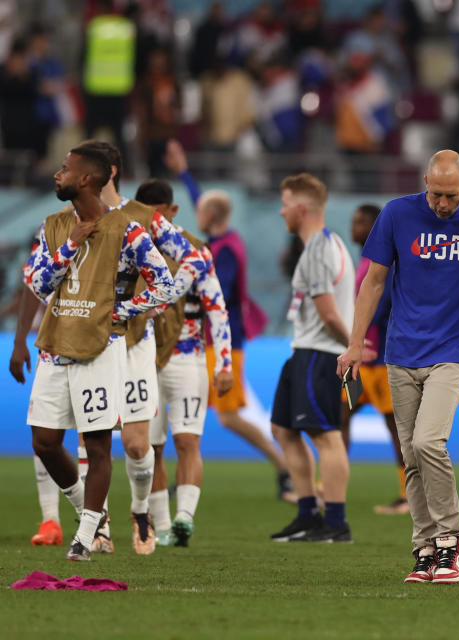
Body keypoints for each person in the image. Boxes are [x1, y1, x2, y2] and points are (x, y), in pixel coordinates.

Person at [337, 150, 459, 584]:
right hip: (400, 353)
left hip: (451, 351)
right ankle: (423, 549)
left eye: (452, 196)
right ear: (425, 181)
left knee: (428, 442)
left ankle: (450, 544)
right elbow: (374, 281)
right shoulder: (397, 214)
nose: (443, 204)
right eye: (436, 194)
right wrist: (353, 343)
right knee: (411, 456)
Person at [25, 145, 180, 561]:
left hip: (100, 347)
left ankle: (87, 535)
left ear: (87, 180)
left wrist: (120, 311)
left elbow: (166, 284)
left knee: (97, 444)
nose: (57, 174)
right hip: (55, 345)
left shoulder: (127, 229)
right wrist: (70, 247)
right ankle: (88, 513)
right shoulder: (55, 225)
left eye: (65, 169)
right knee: (44, 442)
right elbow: (38, 283)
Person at [78, 140, 205, 556]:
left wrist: (143, 303)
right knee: (90, 439)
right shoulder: (72, 218)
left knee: (136, 444)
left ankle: (139, 511)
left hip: (133, 342)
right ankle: (97, 526)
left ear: (108, 172)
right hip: (87, 342)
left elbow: (192, 258)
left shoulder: (144, 219)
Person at [164, 140, 294, 500]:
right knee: (196, 411)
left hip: (224, 344)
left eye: (201, 212)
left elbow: (216, 295)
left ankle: (286, 468)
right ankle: (185, 479)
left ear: (212, 217)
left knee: (228, 417)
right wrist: (184, 172)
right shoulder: (222, 241)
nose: (196, 214)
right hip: (216, 341)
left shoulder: (226, 252)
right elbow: (203, 202)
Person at [135, 178, 233, 547]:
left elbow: (217, 311)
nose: (156, 222)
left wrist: (224, 364)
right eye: (149, 216)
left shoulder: (195, 251)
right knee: (150, 446)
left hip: (189, 359)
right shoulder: (131, 249)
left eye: (160, 214)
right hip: (144, 359)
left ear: (173, 212)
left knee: (188, 440)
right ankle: (161, 528)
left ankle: (184, 519)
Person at [268, 174, 355, 543]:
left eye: (286, 203)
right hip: (304, 351)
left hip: (320, 354)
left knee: (325, 436)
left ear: (301, 209)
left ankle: (335, 522)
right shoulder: (325, 243)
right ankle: (307, 514)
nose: (282, 210)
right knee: (284, 430)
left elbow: (330, 314)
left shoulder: (319, 249)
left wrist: (353, 348)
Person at [341, 203, 408, 515]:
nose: (354, 227)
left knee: (394, 425)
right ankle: (333, 481)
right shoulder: (362, 259)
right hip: (361, 364)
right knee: (341, 412)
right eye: (353, 221)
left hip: (378, 360)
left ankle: (408, 495)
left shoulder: (383, 260)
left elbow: (384, 302)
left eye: (361, 222)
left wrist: (368, 339)